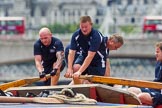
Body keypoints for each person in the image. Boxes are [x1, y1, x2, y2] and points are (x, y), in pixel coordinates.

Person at [64, 15, 124, 84]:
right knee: (76, 68)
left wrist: (80, 72)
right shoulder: (76, 35)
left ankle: (85, 84)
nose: (84, 29)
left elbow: (91, 56)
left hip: (96, 60)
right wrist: (69, 69)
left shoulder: (96, 37)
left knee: (96, 78)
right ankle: (78, 88)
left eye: (86, 27)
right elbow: (71, 53)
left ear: (91, 25)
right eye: (82, 27)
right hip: (84, 55)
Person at [127, 41, 162, 107]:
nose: (155, 54)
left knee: (141, 96)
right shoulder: (158, 63)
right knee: (131, 90)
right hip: (156, 89)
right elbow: (157, 82)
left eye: (157, 52)